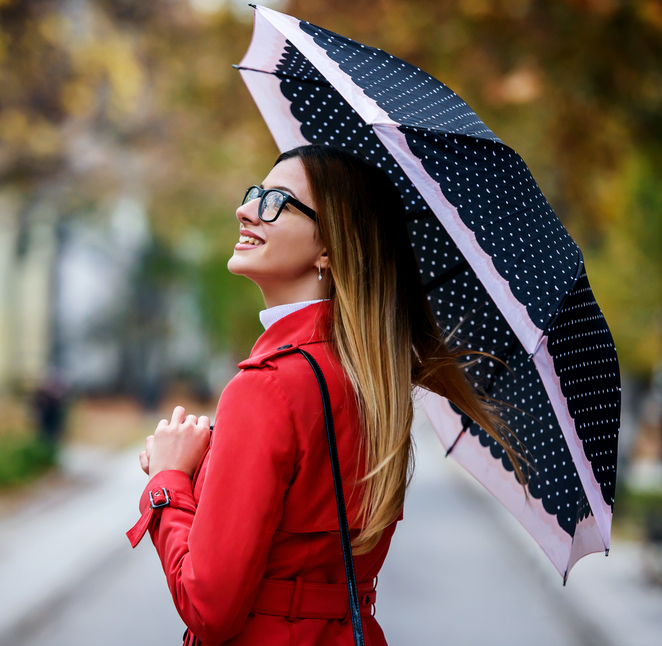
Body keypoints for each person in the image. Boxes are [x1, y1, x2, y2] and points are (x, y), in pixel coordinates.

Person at [126, 144, 523, 645]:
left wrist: (169, 480)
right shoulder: (372, 384)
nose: (246, 209)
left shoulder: (266, 388)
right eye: (255, 194)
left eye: (277, 201)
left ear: (329, 248)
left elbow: (209, 608)